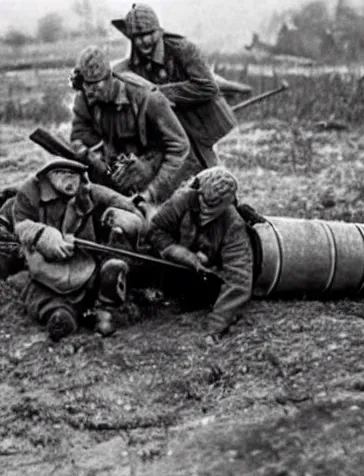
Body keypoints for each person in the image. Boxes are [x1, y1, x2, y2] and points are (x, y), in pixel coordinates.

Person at [13, 159, 146, 341]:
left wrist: (127, 218)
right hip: (47, 265)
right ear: (49, 175)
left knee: (108, 273)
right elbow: (20, 223)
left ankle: (104, 310)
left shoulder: (88, 192)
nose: (69, 179)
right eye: (61, 172)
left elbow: (127, 206)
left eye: (74, 174)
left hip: (87, 260)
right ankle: (59, 315)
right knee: (41, 294)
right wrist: (42, 234)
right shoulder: (30, 192)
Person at [111, 3, 237, 178]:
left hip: (196, 123)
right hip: (167, 127)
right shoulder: (135, 60)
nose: (143, 41)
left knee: (208, 172)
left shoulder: (182, 49)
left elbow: (208, 86)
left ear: (159, 31)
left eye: (148, 34)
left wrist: (161, 94)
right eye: (137, 36)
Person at [69, 45, 190, 205]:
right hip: (114, 169)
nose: (90, 92)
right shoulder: (85, 98)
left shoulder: (146, 98)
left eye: (95, 85)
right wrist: (97, 159)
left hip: (154, 168)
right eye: (86, 85)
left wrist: (151, 193)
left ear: (110, 78)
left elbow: (179, 147)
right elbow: (79, 137)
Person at [148, 166, 253, 342]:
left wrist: (215, 327)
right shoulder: (183, 199)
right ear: (199, 190)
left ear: (227, 204)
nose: (204, 208)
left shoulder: (233, 225)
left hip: (205, 278)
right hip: (168, 264)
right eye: (202, 200)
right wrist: (179, 253)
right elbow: (155, 231)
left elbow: (239, 279)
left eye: (212, 207)